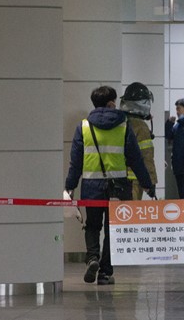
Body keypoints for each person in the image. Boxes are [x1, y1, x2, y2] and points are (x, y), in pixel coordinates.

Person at [65, 86, 155, 285]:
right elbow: (136, 160)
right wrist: (147, 185)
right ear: (112, 103)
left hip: (91, 186)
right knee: (112, 229)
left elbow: (76, 163)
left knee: (92, 226)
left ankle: (92, 258)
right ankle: (105, 273)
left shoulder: (84, 127)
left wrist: (69, 187)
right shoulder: (123, 126)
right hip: (119, 186)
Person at [119, 82, 158, 200]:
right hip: (134, 181)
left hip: (116, 178)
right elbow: (146, 156)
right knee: (131, 211)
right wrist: (151, 182)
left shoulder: (119, 122)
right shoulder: (140, 126)